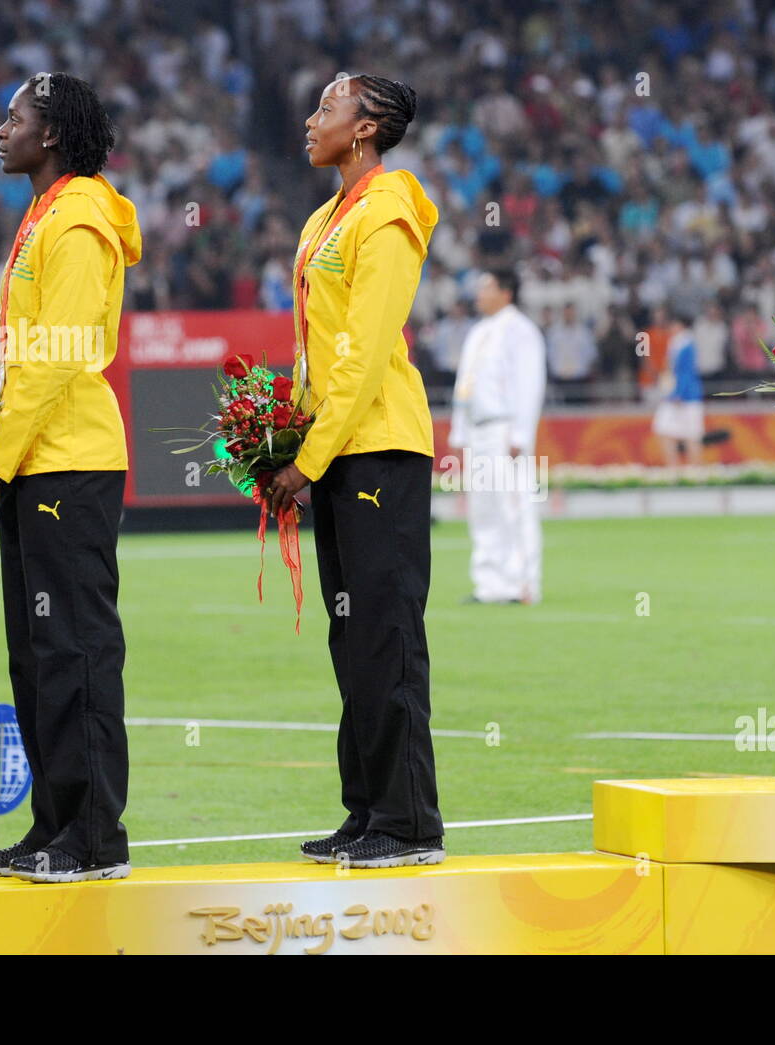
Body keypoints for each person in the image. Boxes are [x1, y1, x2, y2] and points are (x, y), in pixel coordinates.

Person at [266, 74, 445, 868]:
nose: (310, 121)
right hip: (338, 448)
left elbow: (366, 352)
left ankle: (410, 823)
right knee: (352, 638)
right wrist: (290, 440)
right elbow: (316, 351)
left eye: (326, 109)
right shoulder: (323, 218)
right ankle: (367, 807)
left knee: (386, 633)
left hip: (378, 449)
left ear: (365, 128)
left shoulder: (390, 209)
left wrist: (306, 459)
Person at [0, 73, 142, 881]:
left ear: (54, 137)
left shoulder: (77, 221)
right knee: (38, 656)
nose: (1, 131)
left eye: (15, 119)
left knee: (74, 652)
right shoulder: (44, 216)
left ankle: (94, 837)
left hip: (68, 462)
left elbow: (56, 353)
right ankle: (52, 826)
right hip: (38, 459)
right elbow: (19, 355)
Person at [450, 268, 547, 605]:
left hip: (505, 427)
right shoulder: (478, 332)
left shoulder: (521, 331)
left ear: (506, 292)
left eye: (486, 286)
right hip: (478, 428)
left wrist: (521, 433)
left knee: (514, 505)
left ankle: (523, 583)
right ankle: (490, 583)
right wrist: (459, 432)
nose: (478, 293)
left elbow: (528, 384)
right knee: (484, 508)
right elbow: (465, 384)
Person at [652, 307, 704, 468]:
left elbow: (686, 371)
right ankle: (673, 468)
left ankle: (693, 472)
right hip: (677, 394)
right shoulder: (676, 342)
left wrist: (679, 393)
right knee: (665, 430)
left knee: (691, 435)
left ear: (680, 325)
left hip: (684, 396)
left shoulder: (686, 344)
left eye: (673, 324)